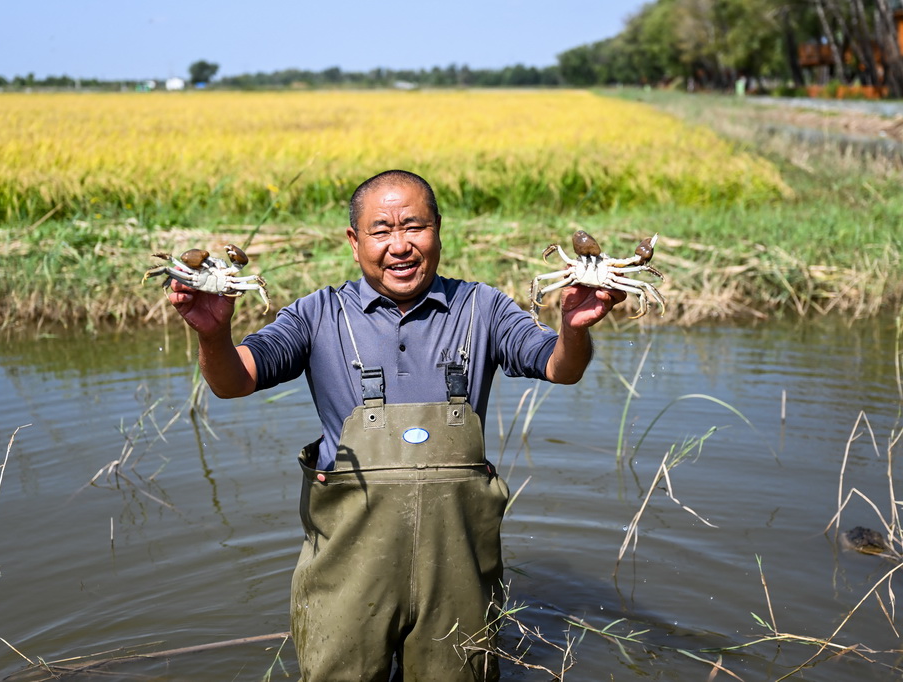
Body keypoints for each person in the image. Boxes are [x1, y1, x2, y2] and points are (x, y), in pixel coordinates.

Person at [166, 170, 625, 681]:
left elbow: (560, 367)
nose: (400, 245)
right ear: (354, 241)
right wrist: (212, 334)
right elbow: (235, 381)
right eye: (381, 230)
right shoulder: (316, 314)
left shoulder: (483, 309)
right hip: (347, 577)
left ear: (438, 230)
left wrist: (573, 328)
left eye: (414, 226)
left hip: (458, 579)